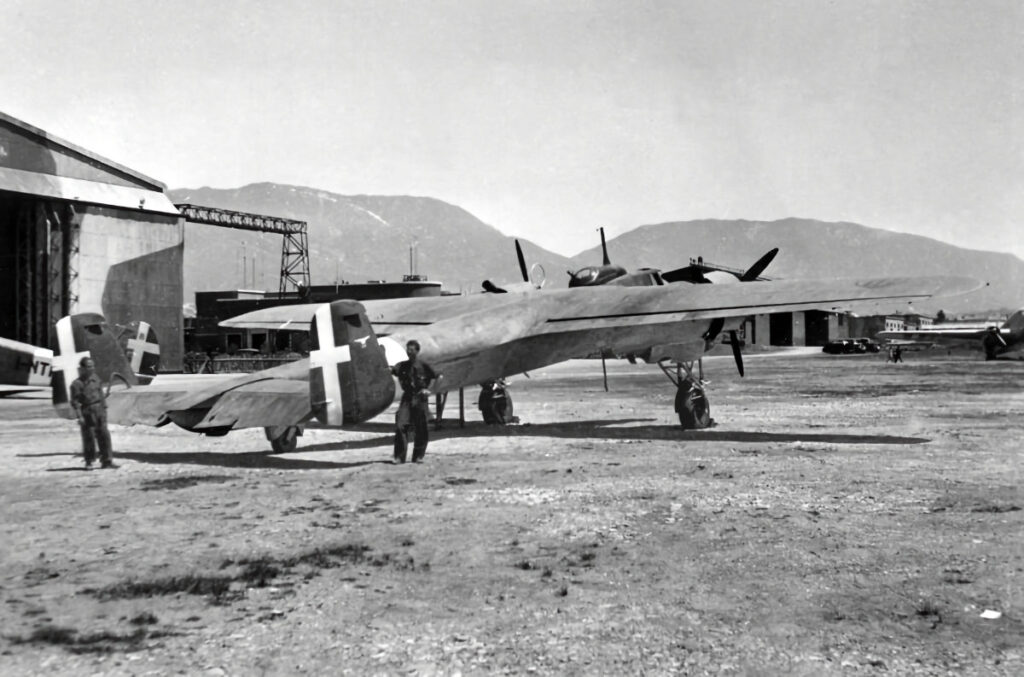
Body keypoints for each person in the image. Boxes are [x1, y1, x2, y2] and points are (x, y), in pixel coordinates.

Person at [391, 340, 438, 464]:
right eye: (407, 349)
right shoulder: (402, 366)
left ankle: (418, 456)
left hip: (420, 398)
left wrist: (429, 390)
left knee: (421, 428)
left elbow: (438, 377)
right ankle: (399, 457)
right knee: (401, 425)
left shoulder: (423, 365)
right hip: (407, 398)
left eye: (411, 350)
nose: (409, 352)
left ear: (417, 351)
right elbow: (390, 370)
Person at [70, 357, 115, 469]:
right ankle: (89, 461)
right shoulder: (77, 384)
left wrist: (104, 409)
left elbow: (101, 395)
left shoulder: (96, 379)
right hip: (87, 411)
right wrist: (80, 416)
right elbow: (75, 402)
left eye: (93, 366)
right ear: (82, 369)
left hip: (99, 409)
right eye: (89, 366)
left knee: (104, 435)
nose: (92, 368)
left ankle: (107, 460)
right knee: (89, 437)